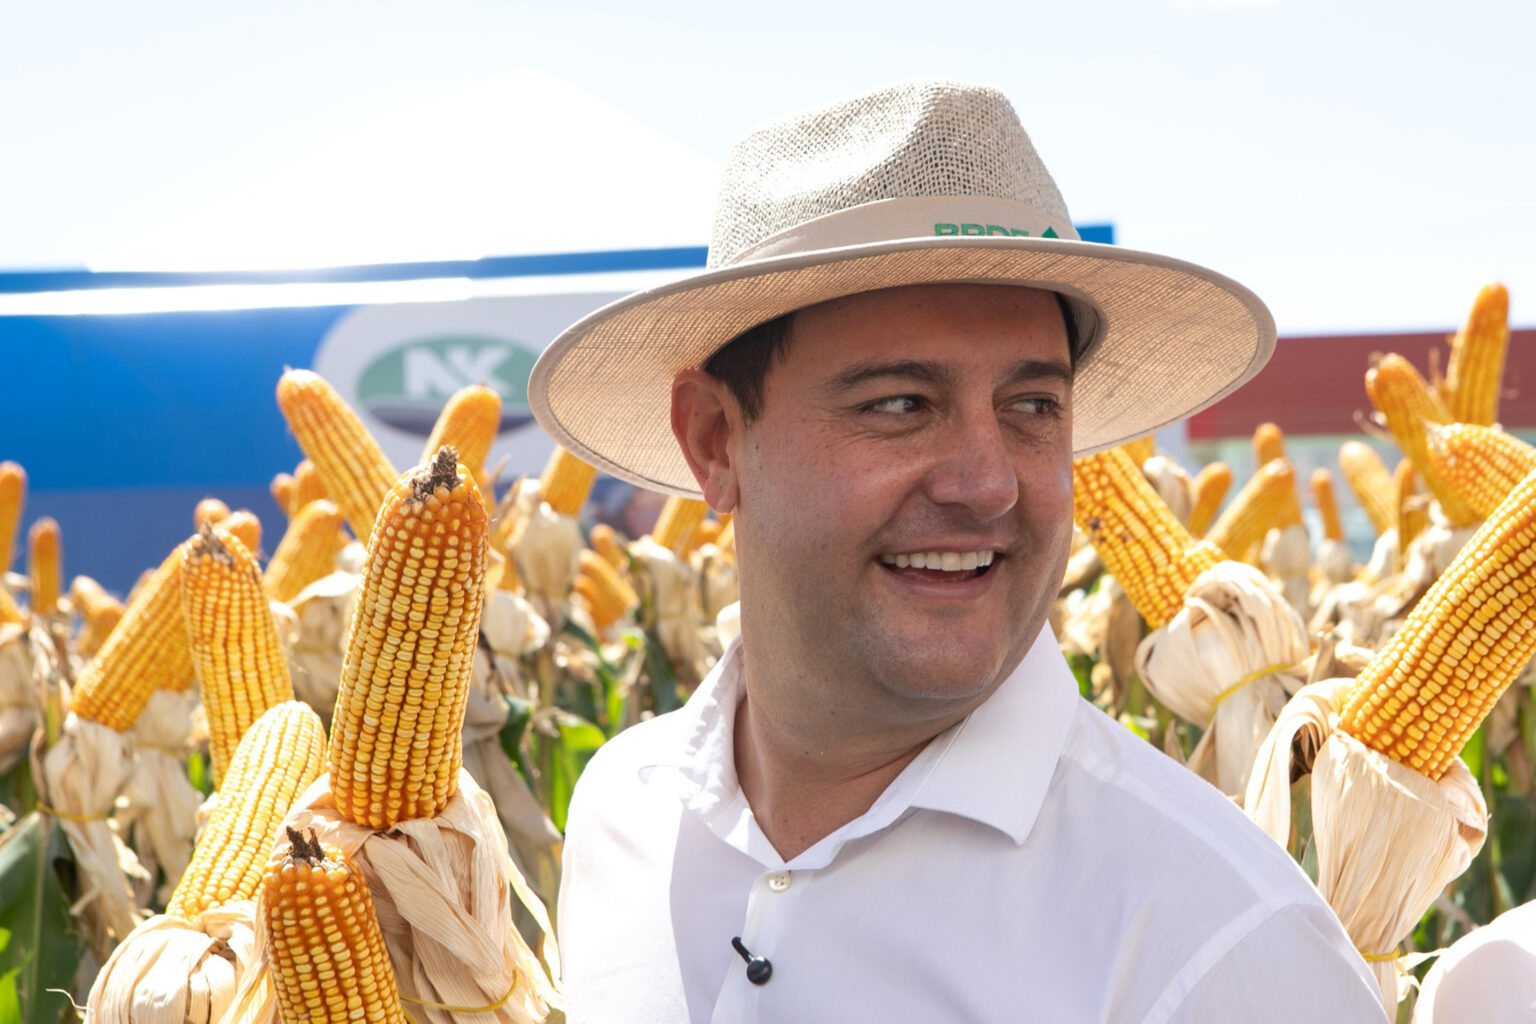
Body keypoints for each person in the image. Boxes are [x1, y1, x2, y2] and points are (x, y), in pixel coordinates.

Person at [531, 78, 1387, 1022]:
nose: (988, 484)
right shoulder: (623, 814)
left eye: (1032, 407)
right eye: (900, 404)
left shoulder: (1218, 942)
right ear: (715, 442)